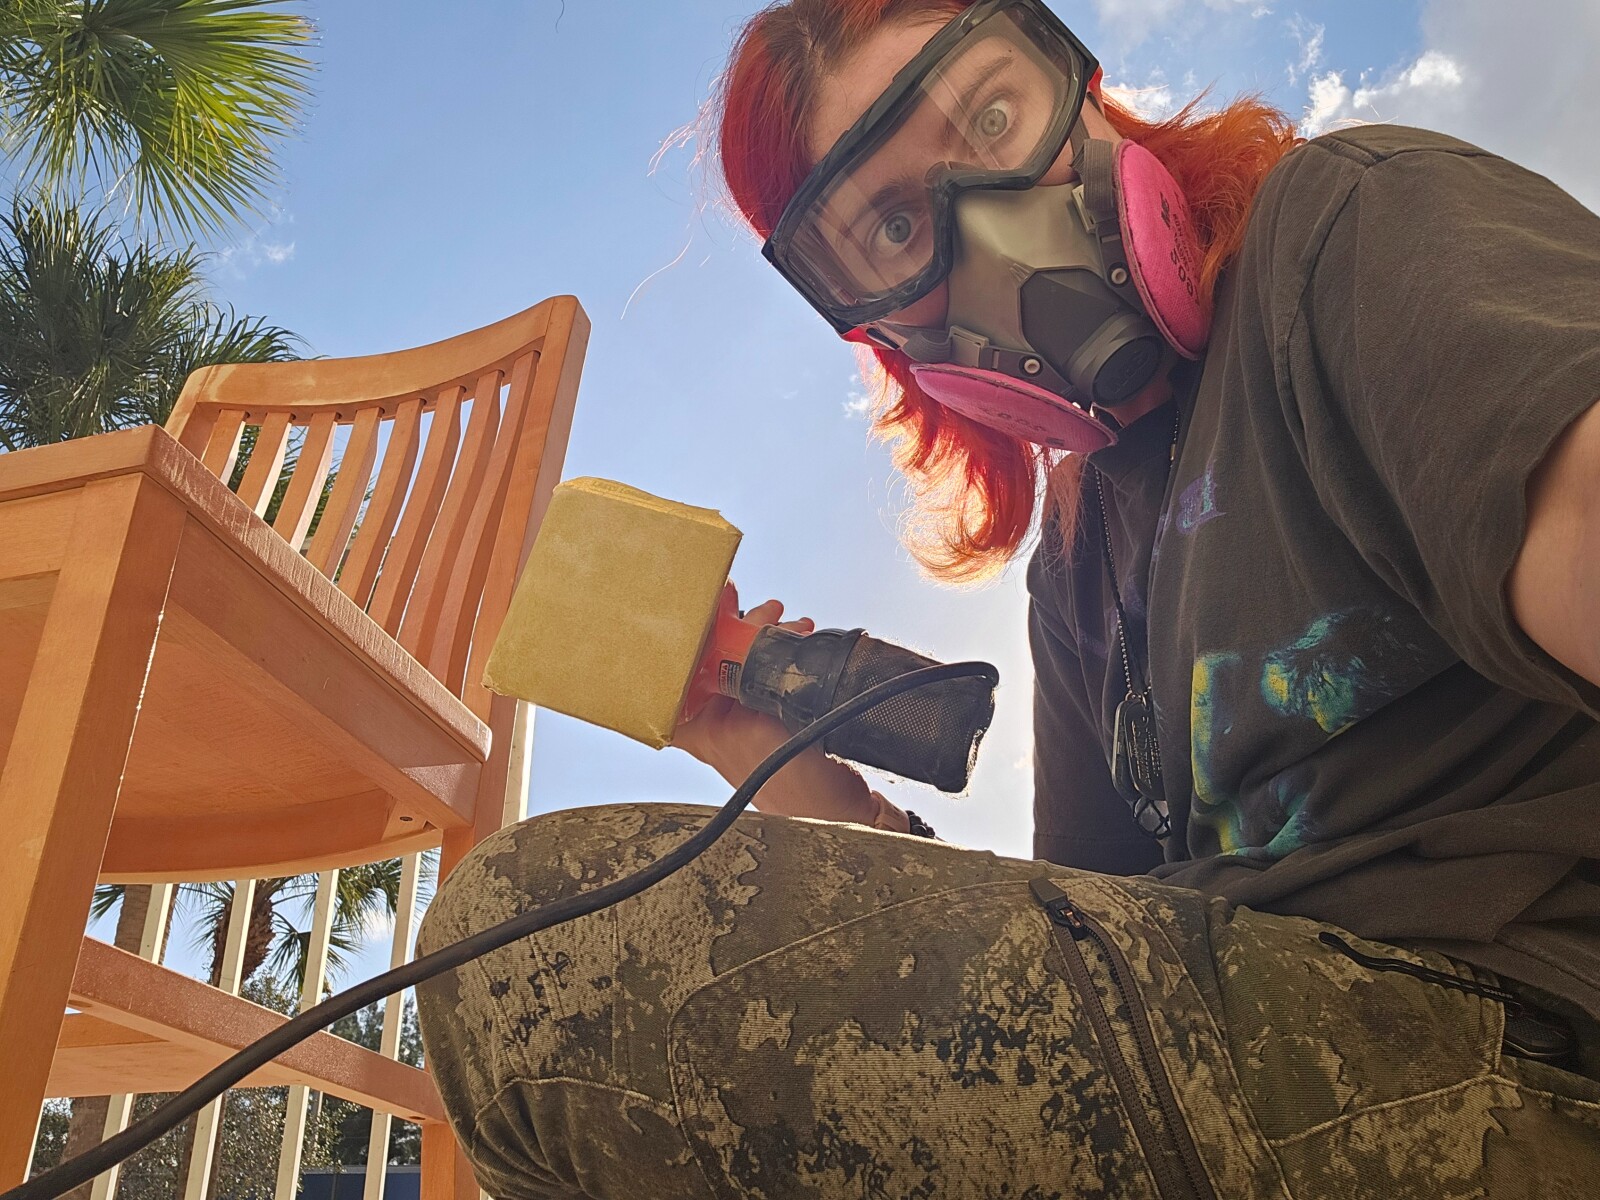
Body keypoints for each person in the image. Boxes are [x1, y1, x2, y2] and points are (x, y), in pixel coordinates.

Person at [416, 1, 1600, 1194]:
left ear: (1086, 92)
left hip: (1516, 1050)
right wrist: (766, 761)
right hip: (1269, 1047)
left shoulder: (1343, 231)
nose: (985, 224)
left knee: (524, 947)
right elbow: (1067, 960)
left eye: (990, 118)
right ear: (878, 333)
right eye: (893, 227)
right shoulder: (1074, 561)